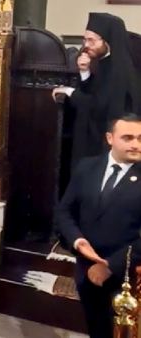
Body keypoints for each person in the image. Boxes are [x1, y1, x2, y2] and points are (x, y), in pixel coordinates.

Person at [54, 114, 141, 338]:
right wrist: (78, 242)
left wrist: (109, 266)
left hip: (127, 276)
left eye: (140, 138)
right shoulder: (87, 166)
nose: (136, 144)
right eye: (128, 137)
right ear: (110, 138)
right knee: (97, 327)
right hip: (85, 268)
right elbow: (64, 212)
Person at [53, 13, 141, 170]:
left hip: (106, 143)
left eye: (91, 40)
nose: (86, 45)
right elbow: (95, 92)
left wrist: (70, 92)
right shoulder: (105, 63)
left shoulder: (118, 70)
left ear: (107, 42)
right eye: (85, 40)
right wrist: (84, 72)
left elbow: (96, 106)